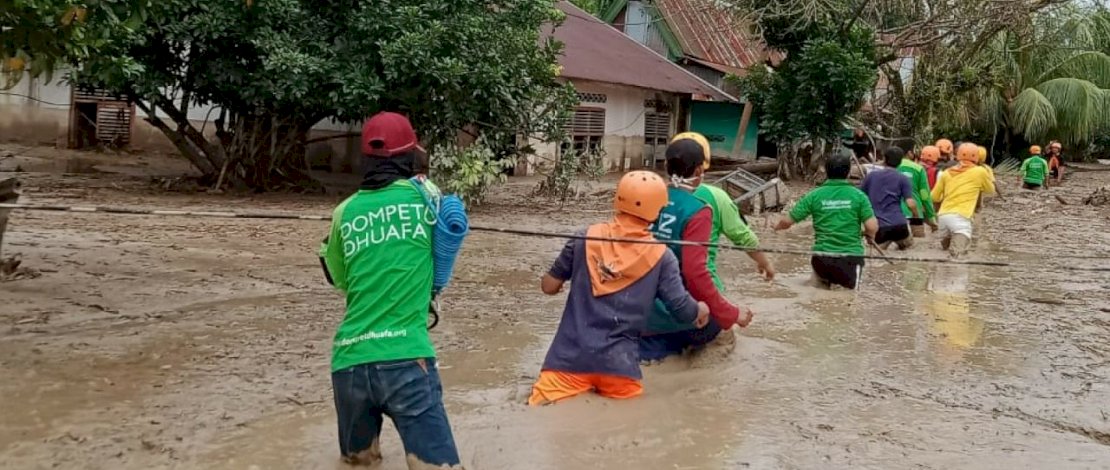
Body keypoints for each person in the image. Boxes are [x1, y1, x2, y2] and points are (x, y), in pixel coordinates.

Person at [319, 112, 462, 468]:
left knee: (359, 463)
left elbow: (339, 279)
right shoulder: (428, 196)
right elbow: (449, 233)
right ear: (411, 155)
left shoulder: (343, 212)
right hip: (406, 359)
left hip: (348, 364)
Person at [530, 171, 709, 405]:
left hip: (566, 363)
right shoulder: (663, 257)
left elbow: (548, 286)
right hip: (619, 368)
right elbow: (681, 309)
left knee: (542, 414)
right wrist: (700, 310)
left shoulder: (583, 238)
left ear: (618, 200)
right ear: (658, 210)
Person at [639, 139, 753, 363]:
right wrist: (731, 313)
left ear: (666, 167)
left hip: (633, 315)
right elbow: (695, 273)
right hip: (676, 317)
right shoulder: (698, 210)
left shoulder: (642, 201)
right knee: (724, 333)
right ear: (700, 171)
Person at [672, 132, 776, 282]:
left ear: (667, 164)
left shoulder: (652, 193)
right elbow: (742, 236)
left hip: (660, 285)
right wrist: (764, 262)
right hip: (702, 284)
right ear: (702, 167)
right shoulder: (716, 197)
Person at [776, 149, 879, 289]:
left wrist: (775, 227)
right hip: (849, 260)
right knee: (849, 301)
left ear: (826, 171)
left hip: (821, 260)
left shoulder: (814, 196)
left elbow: (787, 222)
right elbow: (872, 227)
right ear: (848, 172)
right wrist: (869, 236)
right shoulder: (859, 196)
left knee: (818, 298)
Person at [931, 143, 996, 258]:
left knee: (944, 252)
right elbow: (991, 190)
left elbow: (934, 197)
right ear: (976, 156)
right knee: (958, 257)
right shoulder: (980, 171)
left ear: (958, 155)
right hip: (961, 219)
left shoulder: (946, 173)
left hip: (943, 217)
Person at [861, 146, 919, 249]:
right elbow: (910, 203)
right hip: (900, 227)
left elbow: (861, 200)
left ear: (884, 159)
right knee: (909, 248)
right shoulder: (903, 178)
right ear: (900, 162)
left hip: (879, 228)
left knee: (876, 255)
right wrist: (916, 218)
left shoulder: (871, 176)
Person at [896, 146, 937, 238]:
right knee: (919, 237)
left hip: (894, 214)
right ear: (909, 153)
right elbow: (924, 195)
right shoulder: (918, 169)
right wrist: (931, 216)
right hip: (915, 214)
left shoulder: (891, 167)